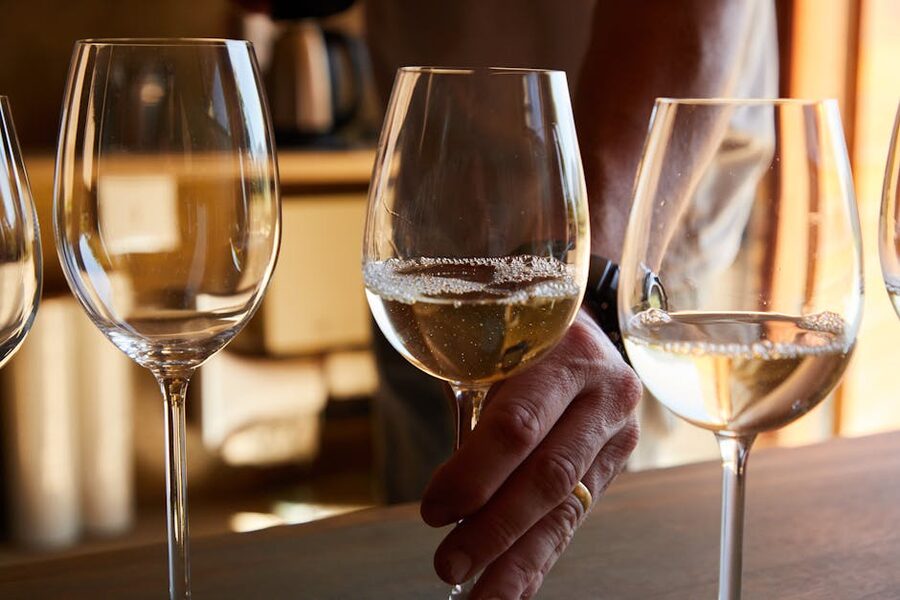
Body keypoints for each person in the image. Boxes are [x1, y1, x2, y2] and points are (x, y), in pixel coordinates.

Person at [363, 1, 778, 599]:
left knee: (591, 566)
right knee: (411, 553)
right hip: (424, 237)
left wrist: (595, 284)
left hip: (637, 213)